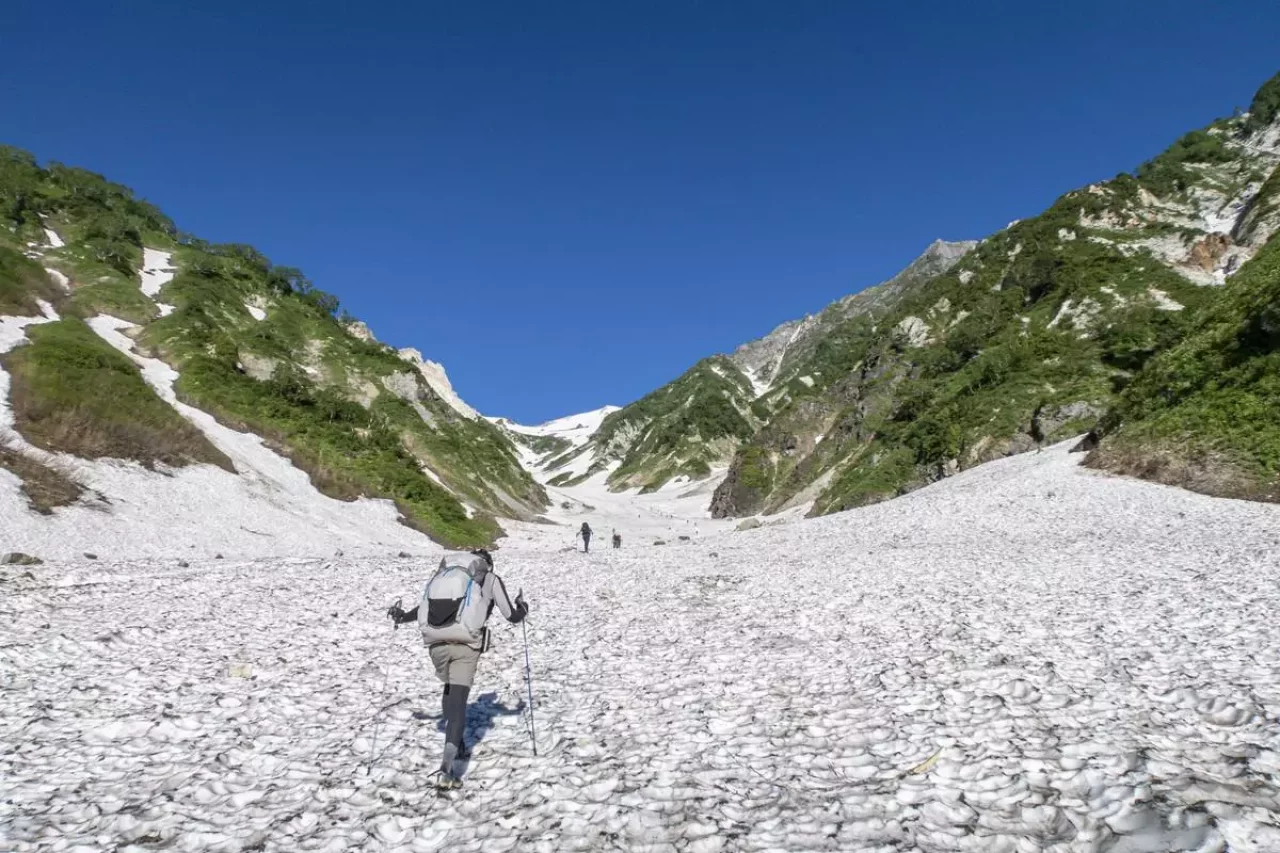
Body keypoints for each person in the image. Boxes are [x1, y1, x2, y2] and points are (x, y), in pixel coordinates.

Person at [388, 549, 528, 789]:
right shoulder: (489, 578)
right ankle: (447, 767)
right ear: (487, 564)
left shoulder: (445, 576)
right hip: (465, 644)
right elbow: (510, 615)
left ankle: (456, 743)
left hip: (436, 643)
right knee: (459, 701)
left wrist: (401, 618)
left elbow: (422, 607)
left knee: (449, 689)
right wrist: (522, 608)